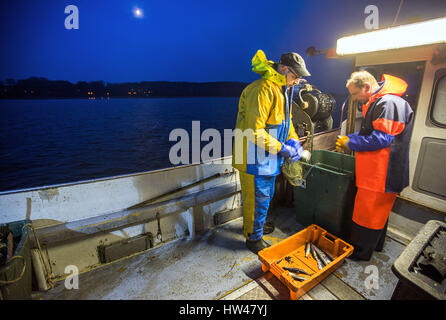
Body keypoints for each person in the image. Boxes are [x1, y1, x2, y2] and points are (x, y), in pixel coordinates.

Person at [232, 49, 311, 254]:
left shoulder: (281, 90)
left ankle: (255, 227)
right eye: (296, 76)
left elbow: (286, 123)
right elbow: (253, 132)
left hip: (267, 157)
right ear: (284, 69)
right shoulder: (262, 90)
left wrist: (293, 139)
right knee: (256, 198)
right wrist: (284, 149)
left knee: (264, 197)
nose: (298, 81)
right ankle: (253, 238)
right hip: (252, 158)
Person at [336, 70, 414, 261]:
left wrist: (350, 143)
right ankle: (375, 246)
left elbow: (382, 139)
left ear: (367, 87)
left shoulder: (388, 103)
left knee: (367, 213)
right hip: (379, 172)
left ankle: (359, 253)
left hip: (382, 174)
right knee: (378, 213)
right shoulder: (381, 101)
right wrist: (350, 137)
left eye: (355, 94)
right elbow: (369, 132)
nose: (354, 99)